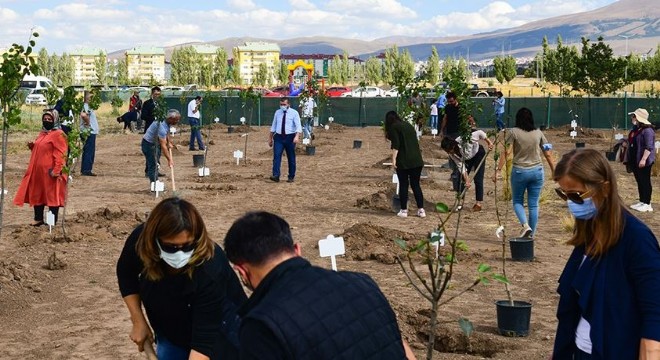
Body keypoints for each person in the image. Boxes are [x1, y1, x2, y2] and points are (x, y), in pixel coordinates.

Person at [223, 211, 417, 360]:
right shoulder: (363, 282)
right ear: (297, 250)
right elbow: (402, 347)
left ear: (242, 272)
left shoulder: (261, 325)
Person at [551, 148, 660, 359]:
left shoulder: (637, 240)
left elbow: (655, 312)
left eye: (576, 195)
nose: (570, 202)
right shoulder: (588, 234)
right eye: (564, 194)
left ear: (605, 189)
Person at [117, 197, 247, 360]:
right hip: (171, 326)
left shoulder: (210, 269)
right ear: (154, 240)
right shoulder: (141, 242)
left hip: (221, 329)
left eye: (187, 245)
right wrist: (138, 320)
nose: (179, 253)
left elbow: (203, 345)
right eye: (170, 246)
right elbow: (126, 274)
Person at [494, 107, 555, 238]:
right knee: (534, 204)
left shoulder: (513, 132)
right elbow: (548, 154)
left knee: (517, 201)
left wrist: (498, 170)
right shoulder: (538, 133)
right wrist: (554, 170)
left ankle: (525, 225)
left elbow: (507, 152)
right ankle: (531, 236)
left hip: (520, 171)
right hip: (537, 171)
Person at [14, 109, 68, 226]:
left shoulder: (59, 134)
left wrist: (57, 170)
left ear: (55, 120)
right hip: (38, 172)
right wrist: (33, 146)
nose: (46, 121)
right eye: (45, 119)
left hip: (50, 173)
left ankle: (51, 222)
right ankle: (38, 219)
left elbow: (61, 154)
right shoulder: (43, 133)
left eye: (49, 119)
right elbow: (43, 149)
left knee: (52, 196)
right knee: (38, 194)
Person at [384, 110, 426, 218]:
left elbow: (396, 144)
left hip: (404, 161)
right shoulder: (408, 125)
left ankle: (403, 210)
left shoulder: (394, 127)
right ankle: (421, 210)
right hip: (417, 160)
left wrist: (393, 159)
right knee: (416, 185)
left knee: (403, 184)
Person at [441, 128, 493, 212]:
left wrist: (489, 143)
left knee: (478, 179)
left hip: (478, 153)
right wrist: (467, 179)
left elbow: (480, 133)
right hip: (467, 159)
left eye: (449, 150)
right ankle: (459, 203)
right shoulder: (452, 154)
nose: (448, 153)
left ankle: (478, 204)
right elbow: (460, 165)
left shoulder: (464, 139)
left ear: (453, 146)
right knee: (461, 180)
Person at [624, 108, 655, 212]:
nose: (632, 118)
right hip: (635, 159)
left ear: (638, 118)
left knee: (645, 181)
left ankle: (647, 203)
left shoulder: (648, 131)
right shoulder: (637, 129)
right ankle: (642, 201)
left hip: (644, 161)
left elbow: (649, 147)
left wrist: (643, 159)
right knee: (639, 181)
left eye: (634, 116)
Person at [142, 109, 180, 185]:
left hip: (155, 143)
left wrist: (169, 142)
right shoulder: (161, 127)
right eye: (176, 120)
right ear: (170, 119)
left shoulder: (166, 121)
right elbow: (163, 146)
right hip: (149, 145)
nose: (177, 121)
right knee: (153, 164)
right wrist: (169, 160)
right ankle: (154, 185)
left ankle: (155, 178)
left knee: (156, 162)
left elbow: (167, 131)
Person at [269, 97, 302, 183]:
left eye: (284, 104)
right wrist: (270, 138)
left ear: (288, 104)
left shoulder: (294, 113)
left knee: (291, 157)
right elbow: (273, 125)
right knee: (276, 156)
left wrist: (297, 136)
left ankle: (291, 176)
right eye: (281, 104)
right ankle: (276, 175)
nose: (282, 106)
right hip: (279, 137)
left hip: (290, 137)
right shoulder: (277, 113)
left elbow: (298, 126)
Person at [79, 90, 99, 176]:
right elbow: (83, 115)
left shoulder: (89, 106)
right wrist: (88, 123)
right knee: (89, 150)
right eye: (91, 97)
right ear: (87, 98)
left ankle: (86, 168)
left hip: (90, 131)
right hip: (88, 132)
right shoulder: (85, 106)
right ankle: (86, 169)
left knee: (89, 150)